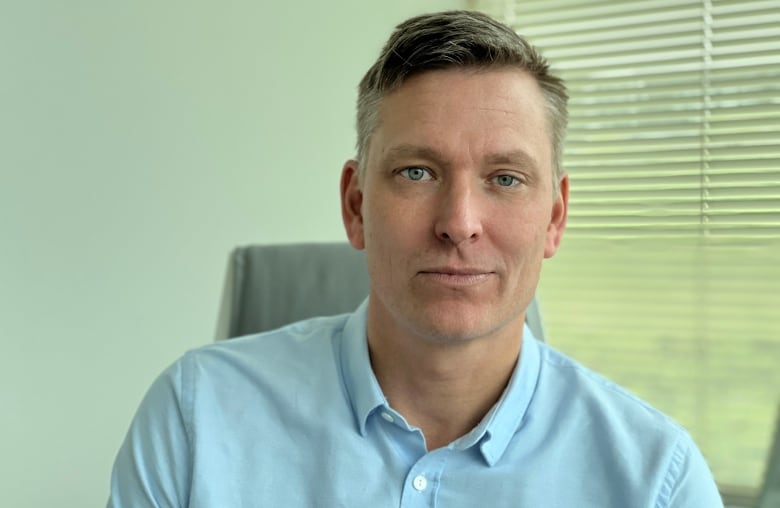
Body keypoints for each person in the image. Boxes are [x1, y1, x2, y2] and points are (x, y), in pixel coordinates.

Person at [107, 10, 724, 507]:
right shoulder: (195, 419)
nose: (458, 223)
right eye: (417, 171)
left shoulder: (655, 481)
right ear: (355, 205)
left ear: (555, 217)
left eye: (506, 178)